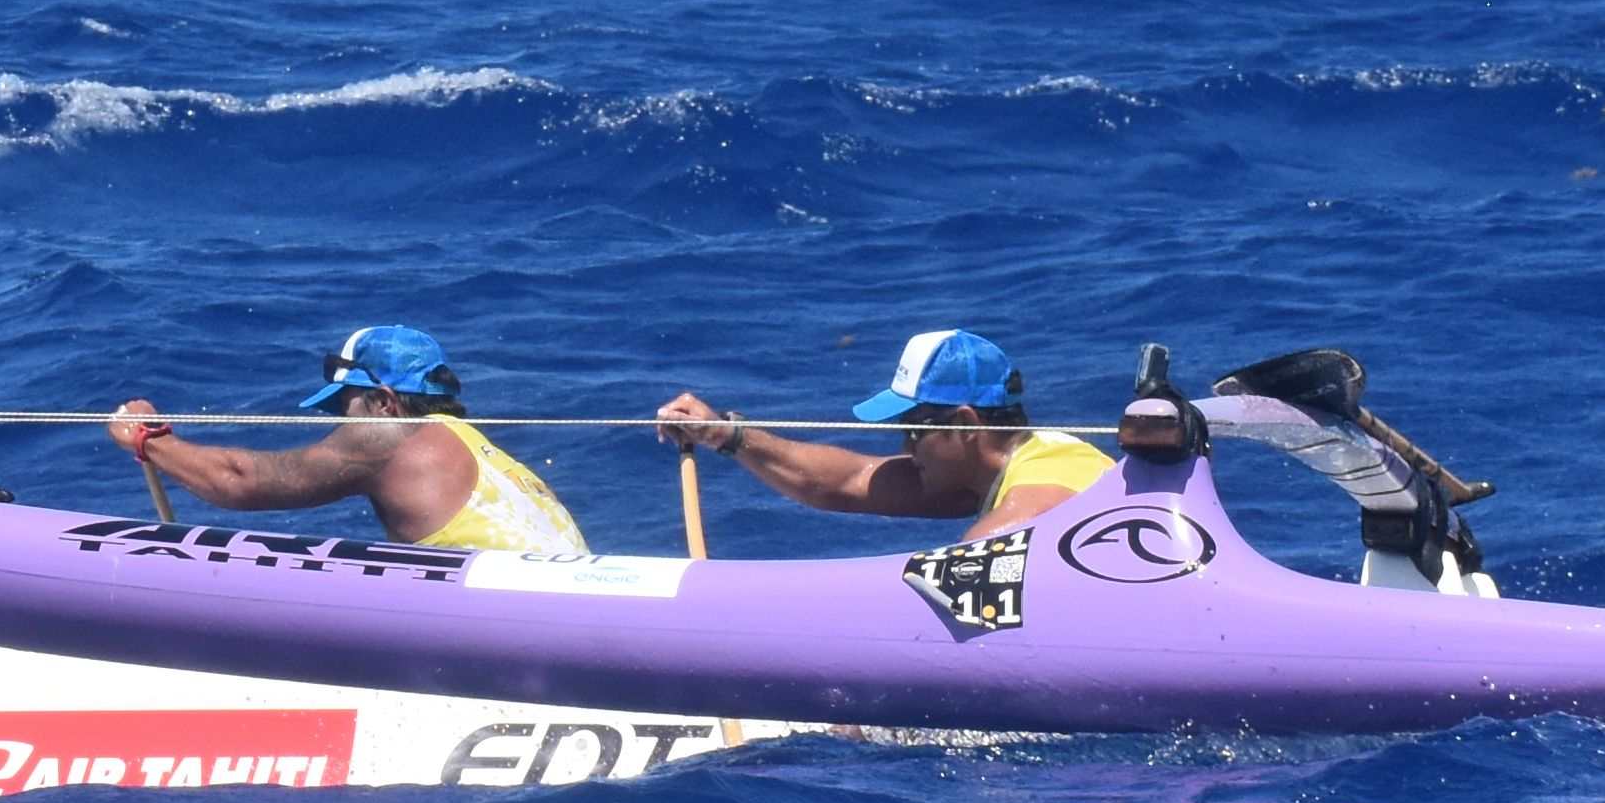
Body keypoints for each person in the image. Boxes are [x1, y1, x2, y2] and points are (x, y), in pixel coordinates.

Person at [105, 323, 590, 557]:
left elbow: (242, 481)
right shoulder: (482, 451)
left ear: (382, 402)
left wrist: (150, 440)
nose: (341, 422)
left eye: (345, 405)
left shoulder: (393, 438)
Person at [658, 327, 1116, 541]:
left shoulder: (1046, 488)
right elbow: (844, 483)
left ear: (966, 426)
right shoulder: (991, 475)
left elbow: (967, 577)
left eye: (914, 431)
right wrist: (728, 435)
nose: (905, 447)